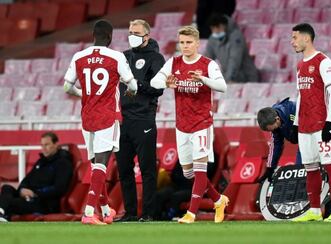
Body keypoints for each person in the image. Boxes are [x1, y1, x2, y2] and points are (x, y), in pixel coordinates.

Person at [151, 25, 228, 224]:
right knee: (188, 172)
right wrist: (166, 83)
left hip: (202, 123)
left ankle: (191, 214)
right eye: (182, 42)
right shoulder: (173, 62)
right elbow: (154, 82)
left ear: (197, 43)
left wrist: (202, 79)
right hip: (182, 125)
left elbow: (223, 86)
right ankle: (219, 199)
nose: (185, 46)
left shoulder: (208, 64)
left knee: (200, 170)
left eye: (189, 43)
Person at [64, 19, 138, 225]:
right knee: (102, 165)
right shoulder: (116, 57)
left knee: (96, 165)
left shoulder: (79, 56)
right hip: (107, 115)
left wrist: (84, 94)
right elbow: (132, 84)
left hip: (87, 116)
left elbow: (66, 87)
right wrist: (131, 91)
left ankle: (106, 211)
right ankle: (88, 212)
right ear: (110, 37)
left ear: (93, 36)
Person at [290, 23, 331, 222]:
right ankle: (314, 211)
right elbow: (301, 95)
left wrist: (329, 122)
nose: (291, 41)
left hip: (321, 123)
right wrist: (296, 123)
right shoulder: (300, 65)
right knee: (310, 168)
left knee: (330, 166)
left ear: (306, 38)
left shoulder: (324, 62)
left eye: (294, 38)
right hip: (305, 126)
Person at [114, 19, 165, 222]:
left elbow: (158, 88)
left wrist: (136, 85)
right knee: (124, 169)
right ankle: (130, 212)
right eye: (130, 32)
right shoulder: (123, 57)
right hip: (123, 121)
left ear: (147, 36)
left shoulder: (156, 58)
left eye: (136, 32)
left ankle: (149, 213)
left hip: (144, 119)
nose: (132, 35)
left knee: (147, 169)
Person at [257, 97, 331, 182]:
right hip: (305, 135)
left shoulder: (293, 111)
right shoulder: (273, 121)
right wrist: (270, 168)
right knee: (299, 170)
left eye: (272, 129)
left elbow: (315, 130)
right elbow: (276, 145)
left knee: (329, 163)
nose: (272, 131)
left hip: (328, 122)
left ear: (277, 119)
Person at [0, 132, 73, 222]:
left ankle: (2, 213)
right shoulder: (41, 162)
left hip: (44, 202)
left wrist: (35, 193)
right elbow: (27, 179)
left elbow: (59, 188)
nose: (44, 148)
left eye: (47, 145)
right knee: (6, 188)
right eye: (42, 145)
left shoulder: (63, 163)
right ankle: (2, 213)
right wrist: (22, 189)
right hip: (30, 197)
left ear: (56, 144)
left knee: (10, 202)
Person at [205, 13, 259, 83]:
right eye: (213, 28)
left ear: (224, 25)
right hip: (228, 77)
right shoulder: (213, 39)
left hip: (246, 77)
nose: (216, 31)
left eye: (218, 27)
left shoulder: (236, 37)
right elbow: (207, 58)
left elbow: (235, 59)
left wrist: (230, 78)